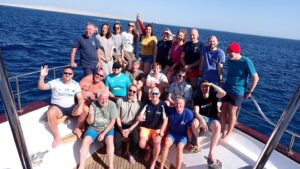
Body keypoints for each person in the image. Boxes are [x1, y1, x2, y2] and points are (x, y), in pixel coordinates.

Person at [221, 42, 259, 142]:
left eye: (231, 52)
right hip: (226, 88)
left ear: (237, 52)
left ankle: (229, 133)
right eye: (228, 52)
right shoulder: (230, 60)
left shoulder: (246, 61)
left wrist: (250, 91)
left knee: (232, 111)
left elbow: (255, 77)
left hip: (238, 90)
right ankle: (222, 130)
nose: (229, 54)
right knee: (224, 108)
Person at [38, 65, 84, 148]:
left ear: (72, 75)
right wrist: (42, 77)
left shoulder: (76, 84)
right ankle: (57, 136)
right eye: (65, 73)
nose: (67, 75)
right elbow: (41, 87)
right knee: (51, 112)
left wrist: (80, 106)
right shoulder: (56, 82)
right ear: (62, 74)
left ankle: (78, 128)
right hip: (59, 108)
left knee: (84, 108)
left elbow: (80, 99)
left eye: (69, 74)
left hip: (71, 107)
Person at [78, 89, 118, 169]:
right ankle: (82, 165)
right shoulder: (93, 104)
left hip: (107, 128)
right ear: (98, 98)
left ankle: (110, 165)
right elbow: (90, 122)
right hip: (94, 128)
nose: (104, 101)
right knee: (85, 142)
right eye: (102, 99)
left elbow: (113, 122)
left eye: (106, 99)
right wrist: (91, 114)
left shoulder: (112, 105)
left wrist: (103, 134)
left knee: (110, 141)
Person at [191, 81, 226, 168]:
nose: (204, 88)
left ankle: (211, 153)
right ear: (200, 88)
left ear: (209, 88)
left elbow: (223, 93)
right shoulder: (198, 98)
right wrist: (201, 119)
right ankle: (197, 139)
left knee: (218, 126)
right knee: (194, 123)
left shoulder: (213, 95)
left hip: (212, 119)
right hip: (201, 117)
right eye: (203, 87)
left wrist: (212, 84)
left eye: (206, 86)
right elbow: (196, 112)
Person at [136, 87, 168, 169]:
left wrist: (161, 134)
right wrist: (139, 118)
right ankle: (150, 149)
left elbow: (165, 120)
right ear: (150, 95)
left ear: (159, 94)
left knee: (157, 142)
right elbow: (140, 116)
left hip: (157, 129)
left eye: (156, 93)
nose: (154, 95)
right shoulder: (146, 104)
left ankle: (153, 162)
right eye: (152, 93)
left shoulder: (163, 105)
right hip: (146, 128)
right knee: (141, 144)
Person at [159, 96, 194, 169]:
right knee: (166, 144)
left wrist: (189, 142)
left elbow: (189, 129)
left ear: (184, 104)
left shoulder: (189, 113)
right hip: (172, 133)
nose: (178, 105)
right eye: (176, 103)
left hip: (182, 136)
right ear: (174, 104)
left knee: (180, 147)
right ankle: (161, 166)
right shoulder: (170, 110)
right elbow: (166, 122)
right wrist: (161, 133)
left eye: (180, 103)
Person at [73, 68, 108, 138]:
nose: (98, 76)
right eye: (97, 74)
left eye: (101, 76)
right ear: (94, 73)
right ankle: (77, 128)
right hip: (79, 101)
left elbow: (103, 98)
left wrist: (93, 99)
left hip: (91, 104)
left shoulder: (101, 86)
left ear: (103, 77)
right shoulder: (87, 79)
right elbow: (75, 90)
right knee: (85, 109)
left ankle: (85, 127)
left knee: (90, 109)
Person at [114, 85, 142, 164]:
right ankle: (122, 148)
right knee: (117, 149)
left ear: (136, 93)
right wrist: (121, 129)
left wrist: (129, 130)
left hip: (132, 126)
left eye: (134, 92)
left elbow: (137, 121)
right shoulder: (120, 101)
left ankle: (132, 154)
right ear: (127, 90)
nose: (131, 93)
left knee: (136, 140)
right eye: (130, 90)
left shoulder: (139, 104)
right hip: (121, 125)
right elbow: (117, 117)